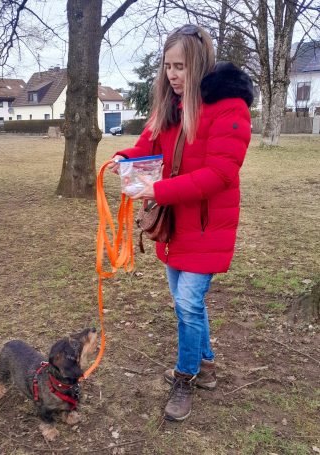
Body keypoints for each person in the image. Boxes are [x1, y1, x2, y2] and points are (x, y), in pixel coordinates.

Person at [109, 24, 253, 421]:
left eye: (181, 67)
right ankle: (206, 366)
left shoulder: (229, 107)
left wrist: (159, 190)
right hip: (175, 226)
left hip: (207, 226)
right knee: (186, 303)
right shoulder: (169, 106)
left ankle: (185, 377)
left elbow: (221, 174)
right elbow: (147, 145)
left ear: (200, 64)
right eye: (168, 66)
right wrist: (125, 158)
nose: (172, 75)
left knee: (188, 303)